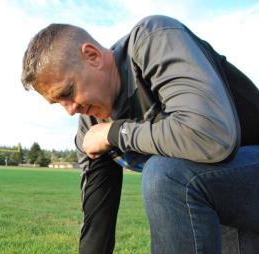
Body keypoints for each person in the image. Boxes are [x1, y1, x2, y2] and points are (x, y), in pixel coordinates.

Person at [21, 15, 259, 254]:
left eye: (68, 92)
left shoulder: (153, 40)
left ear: (92, 55)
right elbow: (97, 222)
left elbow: (210, 136)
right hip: (220, 200)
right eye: (58, 103)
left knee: (167, 174)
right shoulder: (90, 125)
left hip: (245, 170)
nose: (70, 109)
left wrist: (115, 133)